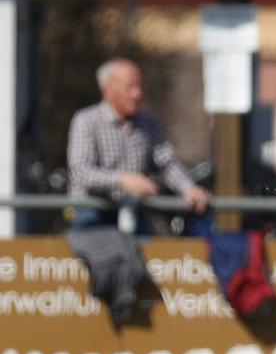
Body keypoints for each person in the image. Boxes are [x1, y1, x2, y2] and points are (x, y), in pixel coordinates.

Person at [67, 58, 211, 233]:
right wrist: (122, 180)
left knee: (146, 252)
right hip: (94, 213)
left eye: (139, 86)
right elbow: (80, 170)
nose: (138, 94)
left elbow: (166, 163)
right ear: (108, 90)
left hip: (135, 211)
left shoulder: (146, 123)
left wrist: (189, 188)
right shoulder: (87, 120)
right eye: (130, 87)